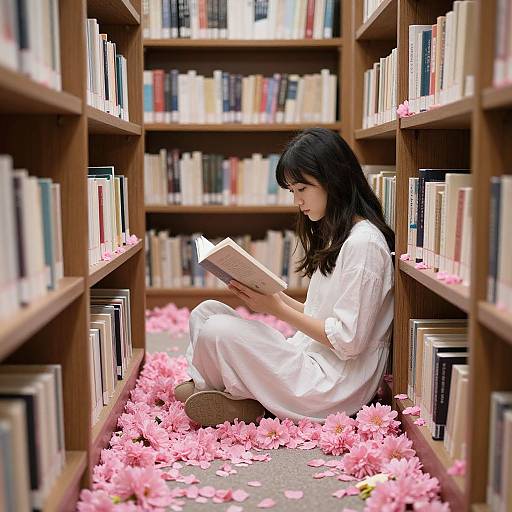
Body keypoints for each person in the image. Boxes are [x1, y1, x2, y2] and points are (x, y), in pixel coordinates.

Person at [175, 128, 395, 427]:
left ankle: (234, 396)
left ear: (334, 179)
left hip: (332, 386)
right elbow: (323, 316)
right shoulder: (340, 235)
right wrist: (277, 298)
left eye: (302, 190)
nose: (297, 202)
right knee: (206, 312)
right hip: (310, 356)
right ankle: (231, 396)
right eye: (292, 192)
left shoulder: (364, 244)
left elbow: (348, 340)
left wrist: (276, 310)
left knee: (218, 329)